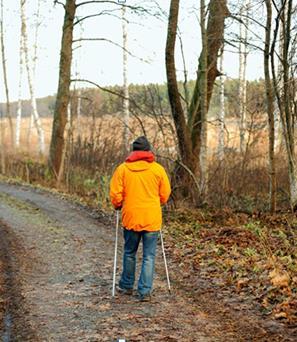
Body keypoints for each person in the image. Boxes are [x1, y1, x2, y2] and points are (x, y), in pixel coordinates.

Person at [109, 136, 171, 301]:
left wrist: (117, 204)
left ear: (133, 151)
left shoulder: (122, 169)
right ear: (148, 151)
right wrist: (159, 202)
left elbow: (116, 194)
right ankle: (144, 291)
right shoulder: (158, 169)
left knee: (130, 252)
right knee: (149, 256)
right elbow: (165, 194)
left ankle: (126, 286)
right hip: (151, 218)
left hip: (131, 217)